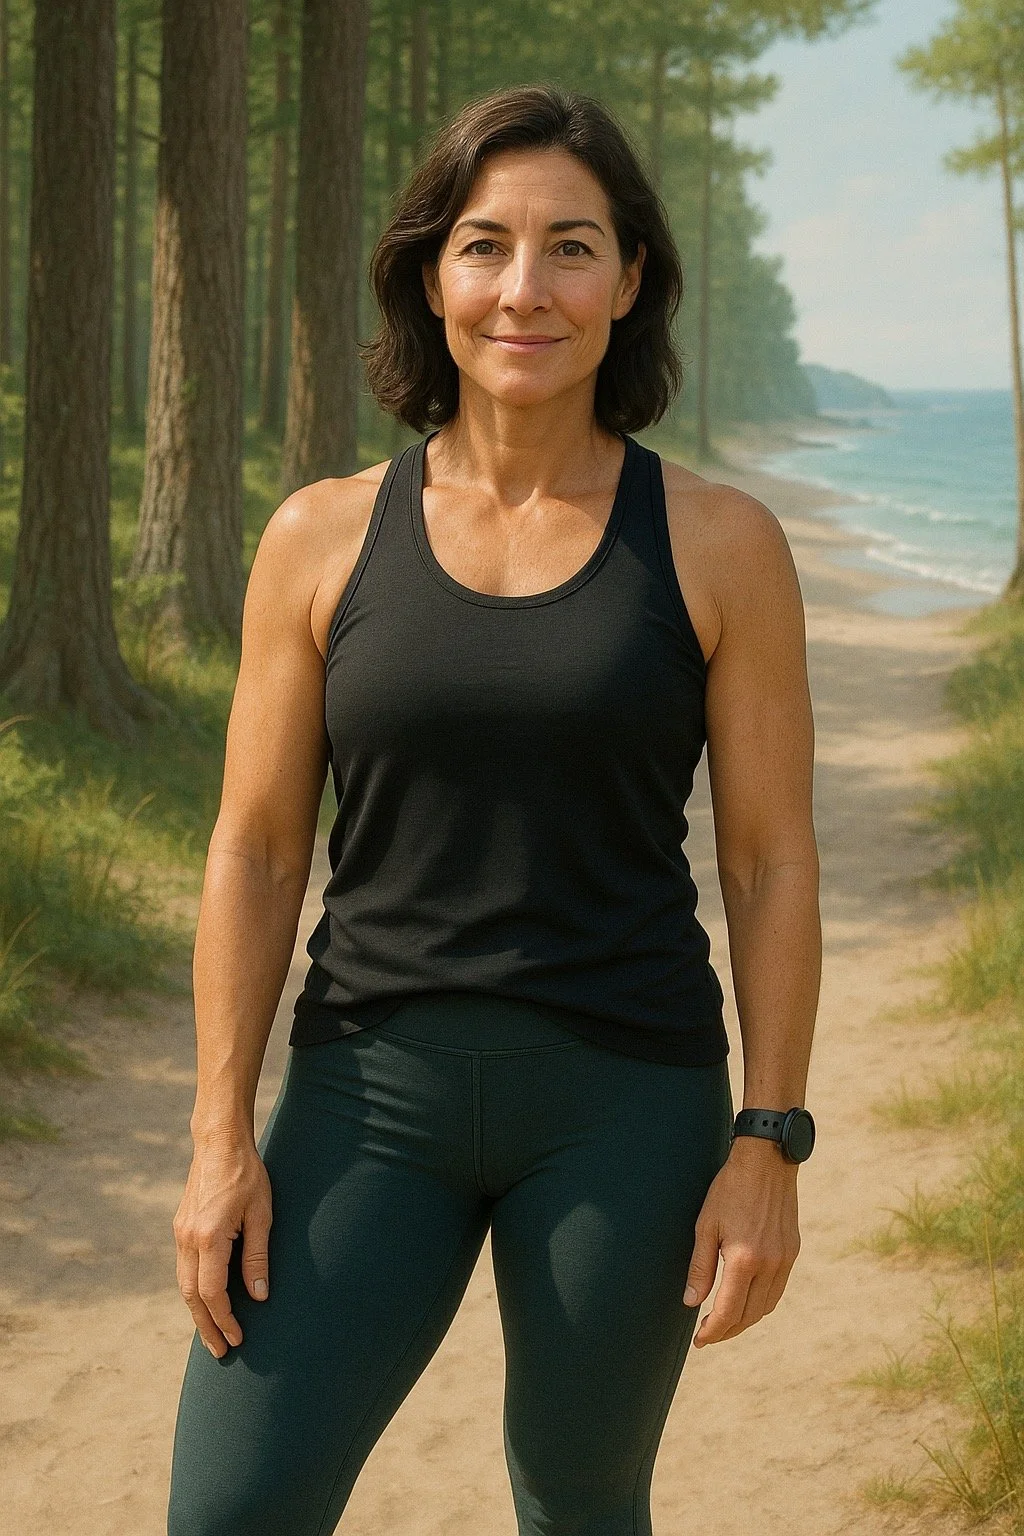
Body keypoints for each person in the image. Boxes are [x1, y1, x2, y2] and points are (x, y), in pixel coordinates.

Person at [166, 83, 820, 1536]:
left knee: (581, 1506)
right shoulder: (322, 536)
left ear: (631, 278)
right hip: (366, 1096)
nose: (526, 288)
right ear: (430, 272)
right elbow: (259, 850)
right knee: (231, 1509)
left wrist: (767, 1143)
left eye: (573, 246)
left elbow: (772, 865)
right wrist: (221, 1140)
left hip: (627, 1109)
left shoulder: (721, 544)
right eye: (485, 243)